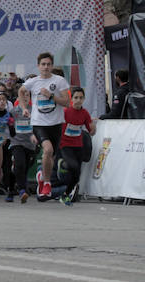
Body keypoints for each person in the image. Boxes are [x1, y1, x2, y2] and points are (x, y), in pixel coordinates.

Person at [21, 51, 71, 201]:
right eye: (43, 64)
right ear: (38, 66)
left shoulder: (60, 81)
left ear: (52, 65)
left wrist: (52, 96)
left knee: (51, 156)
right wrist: (24, 107)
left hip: (55, 123)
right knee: (47, 150)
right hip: (39, 123)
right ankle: (47, 184)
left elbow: (67, 102)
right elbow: (21, 91)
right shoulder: (33, 82)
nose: (46, 67)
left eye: (48, 64)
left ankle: (42, 176)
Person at [57, 87, 95, 205]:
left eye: (81, 98)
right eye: (76, 98)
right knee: (72, 166)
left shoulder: (85, 113)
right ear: (71, 99)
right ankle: (62, 163)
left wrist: (92, 127)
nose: (78, 100)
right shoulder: (65, 112)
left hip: (78, 145)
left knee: (77, 174)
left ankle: (66, 194)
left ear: (84, 99)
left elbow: (91, 130)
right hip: (65, 144)